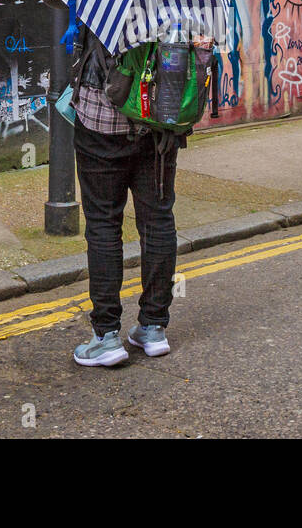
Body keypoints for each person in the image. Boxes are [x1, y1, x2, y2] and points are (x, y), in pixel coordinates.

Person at [68, 27, 184, 367]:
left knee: (104, 223)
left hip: (103, 118)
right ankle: (153, 326)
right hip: (160, 118)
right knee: (158, 219)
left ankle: (106, 336)